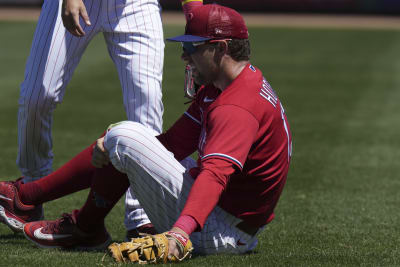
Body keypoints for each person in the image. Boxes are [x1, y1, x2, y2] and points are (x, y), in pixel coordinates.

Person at [0, 4, 292, 256]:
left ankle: (79, 225)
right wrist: (121, 153)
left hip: (222, 231)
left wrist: (179, 233)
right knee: (129, 142)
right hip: (226, 215)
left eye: (192, 48)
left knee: (125, 137)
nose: (184, 57)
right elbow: (171, 146)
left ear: (221, 49)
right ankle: (36, 200)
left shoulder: (236, 107)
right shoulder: (227, 86)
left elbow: (215, 175)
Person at [12, 0, 203, 237]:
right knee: (36, 98)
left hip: (136, 5)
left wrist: (195, 13)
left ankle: (141, 216)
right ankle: (30, 192)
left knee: (148, 105)